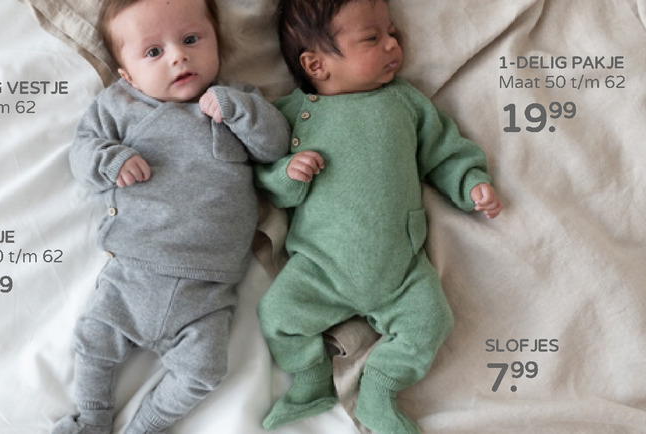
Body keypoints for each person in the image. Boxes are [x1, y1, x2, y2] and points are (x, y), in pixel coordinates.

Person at [254, 0, 502, 432]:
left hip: (400, 268)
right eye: (372, 38)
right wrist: (288, 175)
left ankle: (379, 392)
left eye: (392, 34)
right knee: (277, 316)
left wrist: (470, 183)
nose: (392, 45)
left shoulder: (404, 102)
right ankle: (311, 379)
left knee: (432, 321)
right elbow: (264, 180)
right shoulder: (293, 115)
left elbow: (444, 151)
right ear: (316, 64)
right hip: (320, 268)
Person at [52, 0, 290, 432]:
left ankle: (144, 427)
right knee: (93, 343)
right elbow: (82, 151)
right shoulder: (118, 105)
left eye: (191, 39)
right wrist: (109, 159)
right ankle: (91, 419)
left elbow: (275, 145)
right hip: (134, 271)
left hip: (208, 289)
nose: (179, 56)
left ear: (217, 41)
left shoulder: (236, 99)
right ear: (127, 74)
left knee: (204, 372)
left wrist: (239, 110)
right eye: (153, 52)